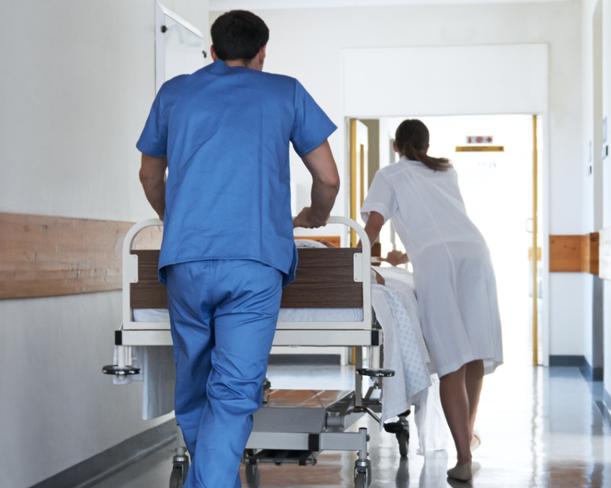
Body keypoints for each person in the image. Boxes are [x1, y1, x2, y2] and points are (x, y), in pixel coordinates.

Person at [136, 10, 339, 488]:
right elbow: (328, 177)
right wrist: (315, 216)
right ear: (262, 54)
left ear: (211, 50)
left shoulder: (174, 94)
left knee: (193, 387)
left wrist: (177, 218)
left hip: (186, 260)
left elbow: (149, 175)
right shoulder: (285, 91)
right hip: (255, 262)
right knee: (233, 392)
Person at [361, 119, 502, 482]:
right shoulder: (446, 170)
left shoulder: (389, 175)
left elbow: (373, 227)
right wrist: (405, 257)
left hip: (438, 261)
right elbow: (446, 227)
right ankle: (466, 441)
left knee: (450, 357)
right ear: (426, 144)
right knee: (472, 353)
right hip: (475, 252)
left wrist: (356, 261)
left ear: (396, 145)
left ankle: (464, 455)